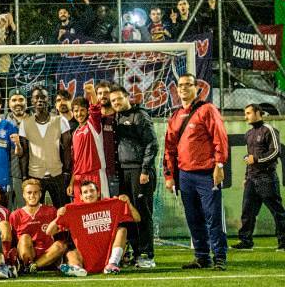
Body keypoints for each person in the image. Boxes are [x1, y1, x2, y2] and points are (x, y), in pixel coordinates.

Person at [164, 73, 230, 270]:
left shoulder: (207, 109)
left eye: (188, 84)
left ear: (196, 88)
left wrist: (219, 165)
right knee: (193, 218)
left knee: (213, 216)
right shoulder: (175, 116)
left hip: (206, 173)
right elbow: (169, 149)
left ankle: (219, 257)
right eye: (180, 85)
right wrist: (169, 176)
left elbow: (220, 137)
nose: (183, 88)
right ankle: (202, 257)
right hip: (184, 175)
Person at [109, 86, 158, 268]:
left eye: (119, 99)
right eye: (113, 101)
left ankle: (147, 255)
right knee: (129, 213)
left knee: (143, 212)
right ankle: (136, 252)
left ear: (127, 97)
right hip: (123, 172)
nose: (116, 103)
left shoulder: (140, 116)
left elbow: (152, 143)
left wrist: (145, 170)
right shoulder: (116, 118)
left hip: (139, 171)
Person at [50, 181, 141, 275]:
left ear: (98, 193)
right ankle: (76, 268)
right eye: (85, 192)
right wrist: (58, 216)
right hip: (85, 257)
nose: (89, 194)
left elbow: (137, 218)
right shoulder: (73, 210)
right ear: (81, 196)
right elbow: (49, 232)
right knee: (71, 253)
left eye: (92, 191)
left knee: (122, 230)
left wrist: (128, 203)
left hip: (108, 254)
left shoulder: (110, 205)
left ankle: (112, 264)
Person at [233, 104, 284, 251]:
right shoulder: (248, 134)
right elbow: (249, 158)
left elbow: (276, 152)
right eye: (245, 113)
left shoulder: (269, 129)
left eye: (248, 113)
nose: (246, 117)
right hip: (251, 178)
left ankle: (283, 242)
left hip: (266, 177)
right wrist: (246, 176)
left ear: (258, 113)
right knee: (247, 212)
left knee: (277, 211)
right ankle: (246, 241)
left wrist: (256, 159)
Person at [9, 179, 79, 275]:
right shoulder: (15, 215)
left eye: (35, 192)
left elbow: (60, 234)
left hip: (48, 254)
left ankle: (34, 267)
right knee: (24, 238)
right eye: (29, 193)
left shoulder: (51, 211)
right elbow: (13, 242)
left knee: (61, 244)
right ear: (23, 195)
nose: (32, 195)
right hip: (28, 253)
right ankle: (27, 265)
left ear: (40, 194)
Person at [18, 86, 72, 208]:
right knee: (36, 212)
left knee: (63, 210)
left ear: (49, 100)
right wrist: (25, 177)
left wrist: (66, 172)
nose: (40, 100)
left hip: (57, 174)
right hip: (35, 176)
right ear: (32, 101)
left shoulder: (61, 120)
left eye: (43, 97)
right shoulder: (25, 123)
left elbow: (67, 149)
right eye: (36, 97)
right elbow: (24, 153)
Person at [67, 85, 108, 202]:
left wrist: (92, 93)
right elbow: (76, 162)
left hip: (95, 174)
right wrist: (72, 182)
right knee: (80, 211)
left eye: (82, 110)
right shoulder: (75, 133)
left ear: (87, 111)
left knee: (98, 209)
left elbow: (95, 109)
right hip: (78, 178)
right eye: (76, 111)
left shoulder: (93, 125)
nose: (79, 114)